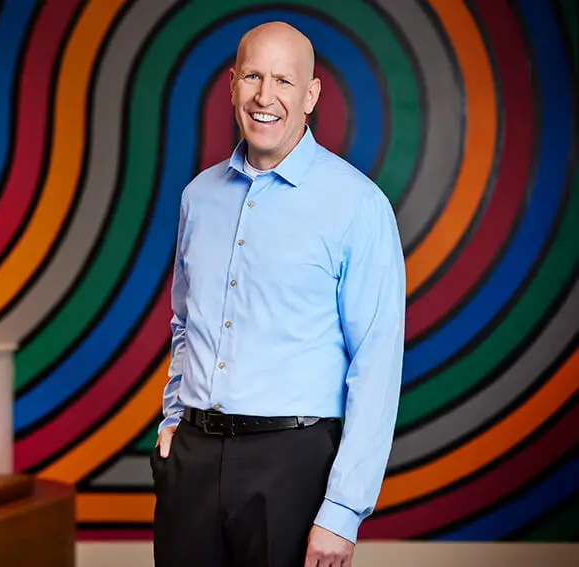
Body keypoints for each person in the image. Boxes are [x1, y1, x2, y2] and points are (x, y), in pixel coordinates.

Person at [150, 21, 406, 567]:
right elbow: (183, 325)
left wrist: (342, 510)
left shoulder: (358, 206)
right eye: (253, 77)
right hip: (191, 460)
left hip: (293, 468)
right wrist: (172, 421)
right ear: (232, 85)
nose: (266, 96)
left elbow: (376, 365)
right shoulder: (198, 197)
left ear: (311, 95)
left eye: (284, 81)